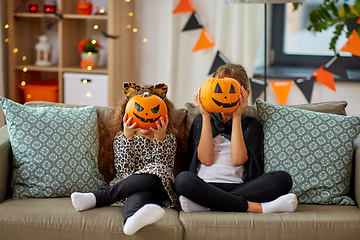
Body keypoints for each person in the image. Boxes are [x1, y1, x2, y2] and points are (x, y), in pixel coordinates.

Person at [174, 64, 297, 214]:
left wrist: (237, 116)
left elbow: (238, 160)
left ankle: (208, 205)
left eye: (231, 90)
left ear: (245, 93)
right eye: (218, 90)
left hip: (238, 187)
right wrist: (206, 116)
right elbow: (206, 160)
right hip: (204, 185)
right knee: (182, 180)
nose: (224, 96)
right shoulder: (201, 119)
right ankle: (256, 208)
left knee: (283, 179)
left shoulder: (250, 124)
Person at [71, 82, 178, 235]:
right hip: (130, 188)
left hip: (158, 189)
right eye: (139, 110)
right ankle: (130, 220)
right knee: (138, 193)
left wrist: (160, 140)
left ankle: (101, 196)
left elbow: (163, 170)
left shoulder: (168, 139)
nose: (146, 115)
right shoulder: (123, 139)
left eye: (153, 110)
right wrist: (127, 138)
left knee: (157, 170)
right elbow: (125, 171)